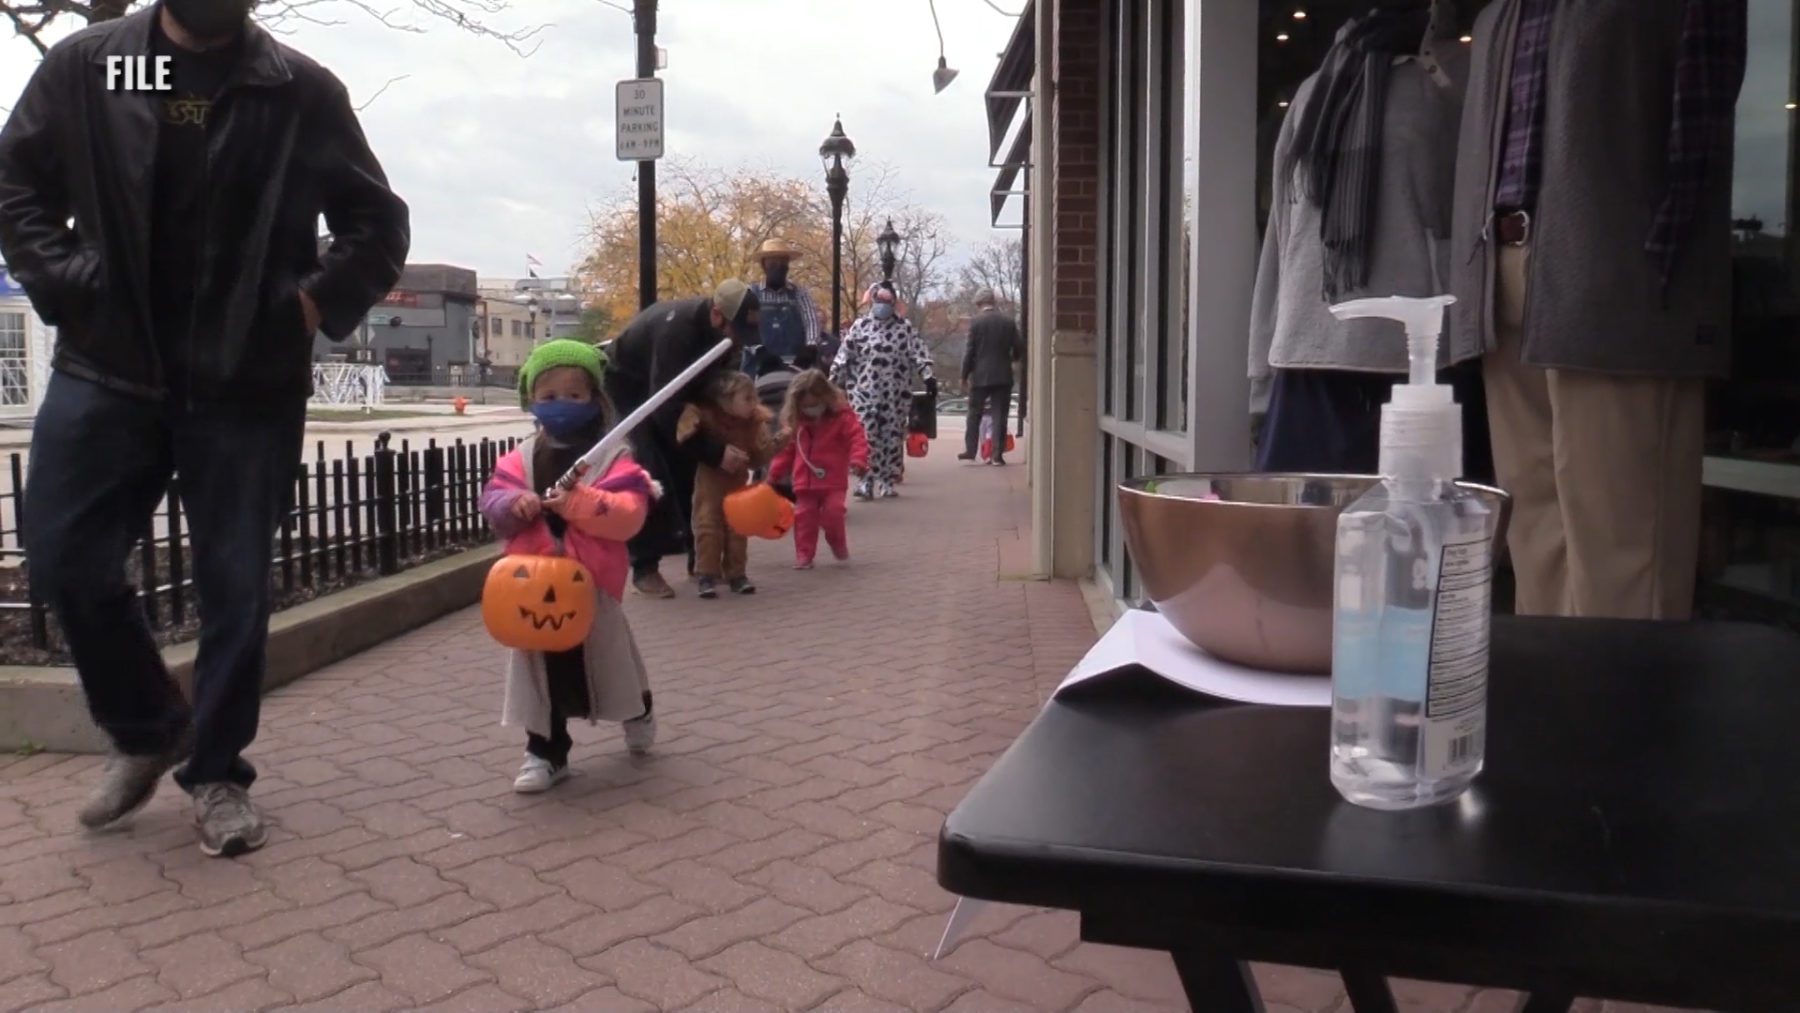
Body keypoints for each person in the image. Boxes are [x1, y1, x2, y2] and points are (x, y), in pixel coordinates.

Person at [0, 0, 409, 855]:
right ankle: (148, 724)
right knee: (61, 551)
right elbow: (15, 186)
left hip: (245, 385)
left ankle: (217, 771)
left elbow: (377, 225)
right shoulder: (90, 69)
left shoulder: (298, 90)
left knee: (235, 585)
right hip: (107, 364)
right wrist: (73, 280)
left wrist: (307, 303)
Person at [479, 341, 657, 792]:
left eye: (574, 395)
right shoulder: (519, 457)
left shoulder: (614, 456)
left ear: (595, 398)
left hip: (592, 582)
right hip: (531, 585)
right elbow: (491, 499)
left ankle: (638, 709)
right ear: (531, 400)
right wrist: (512, 503)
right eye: (549, 395)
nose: (561, 404)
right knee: (539, 670)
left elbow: (629, 514)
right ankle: (544, 751)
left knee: (609, 660)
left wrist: (581, 503)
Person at [604, 280, 760, 599]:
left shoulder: (725, 337)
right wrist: (715, 452)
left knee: (695, 469)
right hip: (634, 389)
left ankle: (701, 561)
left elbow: (716, 390)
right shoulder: (677, 335)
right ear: (718, 316)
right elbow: (664, 409)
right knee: (652, 469)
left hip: (675, 389)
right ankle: (645, 567)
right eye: (737, 332)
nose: (740, 343)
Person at [678, 372, 777, 598]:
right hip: (710, 482)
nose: (754, 404)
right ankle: (706, 574)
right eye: (747, 398)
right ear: (726, 400)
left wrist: (776, 443)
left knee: (737, 528)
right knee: (708, 525)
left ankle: (737, 574)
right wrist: (690, 422)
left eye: (755, 398)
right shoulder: (707, 416)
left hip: (737, 484)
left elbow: (757, 457)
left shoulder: (753, 423)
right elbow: (685, 432)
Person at [832, 284, 936, 499]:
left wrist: (928, 377)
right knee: (867, 436)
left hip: (894, 395)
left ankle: (887, 480)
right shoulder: (860, 327)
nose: (882, 306)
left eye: (886, 302)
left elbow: (919, 353)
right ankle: (866, 481)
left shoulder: (903, 328)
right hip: (864, 392)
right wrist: (831, 383)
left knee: (891, 437)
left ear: (893, 304)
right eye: (878, 301)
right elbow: (843, 357)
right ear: (872, 301)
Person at [769, 370, 869, 569]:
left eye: (813, 405)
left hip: (833, 480)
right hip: (804, 482)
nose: (810, 410)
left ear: (825, 398)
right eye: (805, 407)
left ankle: (837, 542)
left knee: (834, 513)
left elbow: (857, 438)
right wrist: (774, 474)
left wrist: (859, 460)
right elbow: (787, 451)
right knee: (804, 518)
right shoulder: (797, 424)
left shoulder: (842, 418)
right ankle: (804, 554)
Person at [960, 291, 1025, 467]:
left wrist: (964, 375)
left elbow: (969, 352)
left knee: (974, 413)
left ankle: (971, 450)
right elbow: (1019, 346)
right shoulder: (1008, 322)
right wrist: (1013, 359)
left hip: (980, 375)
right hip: (1003, 375)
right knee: (1000, 416)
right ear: (993, 302)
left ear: (980, 304)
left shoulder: (976, 323)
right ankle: (997, 455)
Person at [748, 238, 821, 366]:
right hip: (760, 364)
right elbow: (745, 327)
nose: (779, 267)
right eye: (773, 262)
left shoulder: (800, 293)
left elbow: (811, 320)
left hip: (796, 363)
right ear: (764, 265)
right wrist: (757, 349)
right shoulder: (752, 293)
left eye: (783, 262)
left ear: (787, 265)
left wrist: (810, 346)